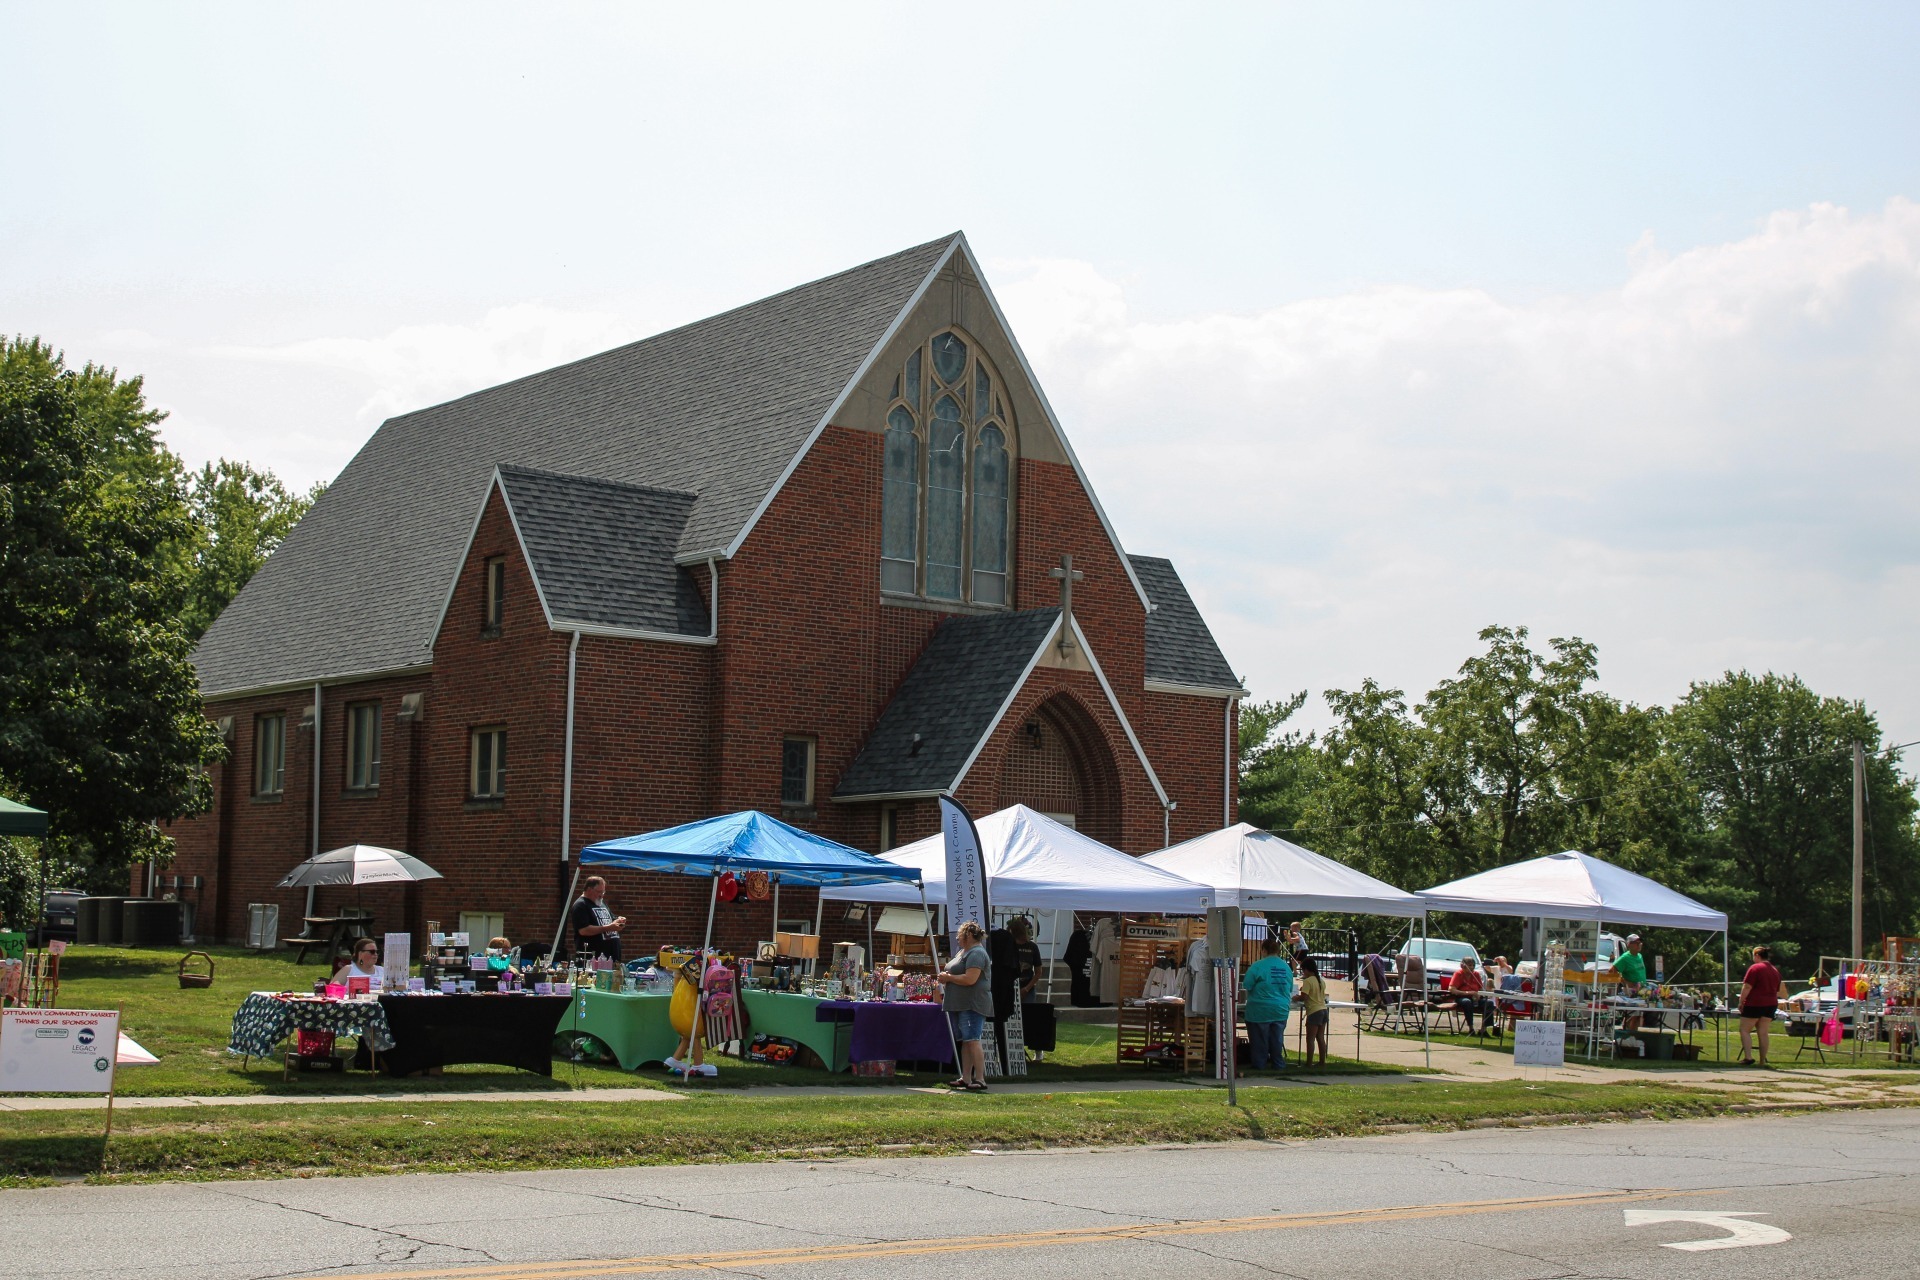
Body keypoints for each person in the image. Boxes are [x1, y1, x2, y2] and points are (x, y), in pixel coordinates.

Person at [937, 921, 993, 1091]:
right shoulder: (963, 952)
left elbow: (970, 979)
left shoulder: (976, 954)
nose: (957, 938)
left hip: (972, 1004)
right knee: (965, 1041)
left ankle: (980, 1079)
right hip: (959, 1003)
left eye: (960, 935)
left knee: (972, 1039)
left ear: (968, 936)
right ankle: (966, 1077)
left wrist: (948, 978)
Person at [1241, 938, 1294, 1071]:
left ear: (1263, 950)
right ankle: (1278, 1063)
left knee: (1259, 1039)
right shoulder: (1286, 967)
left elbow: (1247, 985)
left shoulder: (1258, 966)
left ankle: (1260, 1064)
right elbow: (1290, 987)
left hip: (1260, 1008)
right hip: (1281, 1008)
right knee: (1277, 1038)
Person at [1738, 945, 1783, 1067]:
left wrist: (1741, 1001)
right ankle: (1762, 1060)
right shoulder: (1775, 970)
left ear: (1757, 956)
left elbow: (1747, 986)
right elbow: (1777, 989)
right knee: (1763, 1032)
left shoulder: (1755, 968)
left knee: (1744, 1030)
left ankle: (1748, 1057)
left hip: (1755, 1003)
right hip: (1771, 1003)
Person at [570, 875, 626, 964]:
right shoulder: (580, 905)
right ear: (589, 889)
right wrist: (608, 928)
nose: (601, 895)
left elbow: (611, 919)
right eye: (599, 892)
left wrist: (619, 920)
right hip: (594, 959)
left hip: (611, 958)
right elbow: (583, 930)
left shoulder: (600, 902)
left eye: (603, 892)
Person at [1298, 954, 1331, 1065]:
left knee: (1310, 1038)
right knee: (1320, 1037)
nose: (1303, 973)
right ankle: (1322, 1061)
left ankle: (1309, 1062)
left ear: (1306, 969)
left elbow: (1304, 997)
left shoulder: (1308, 981)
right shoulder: (1321, 980)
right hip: (1323, 1010)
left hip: (1314, 1011)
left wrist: (1296, 997)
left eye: (1303, 970)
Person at [1444, 956, 1491, 1034]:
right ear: (1463, 966)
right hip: (1461, 997)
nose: (1472, 967)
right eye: (1469, 965)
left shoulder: (1476, 974)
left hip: (1475, 998)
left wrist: (1480, 995)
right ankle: (1471, 1028)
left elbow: (1480, 989)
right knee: (1467, 1002)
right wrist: (1468, 993)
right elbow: (1452, 989)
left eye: (1473, 965)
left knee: (1489, 1003)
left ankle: (1484, 1029)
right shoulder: (1458, 974)